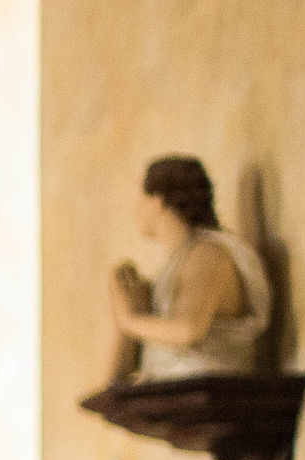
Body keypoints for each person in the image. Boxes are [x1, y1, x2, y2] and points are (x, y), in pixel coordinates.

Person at [107, 153, 273, 379]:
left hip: (211, 396)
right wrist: (132, 314)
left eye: (141, 197)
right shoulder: (173, 266)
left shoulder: (208, 253)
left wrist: (128, 320)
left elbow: (188, 329)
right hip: (172, 398)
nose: (135, 209)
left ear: (158, 200)